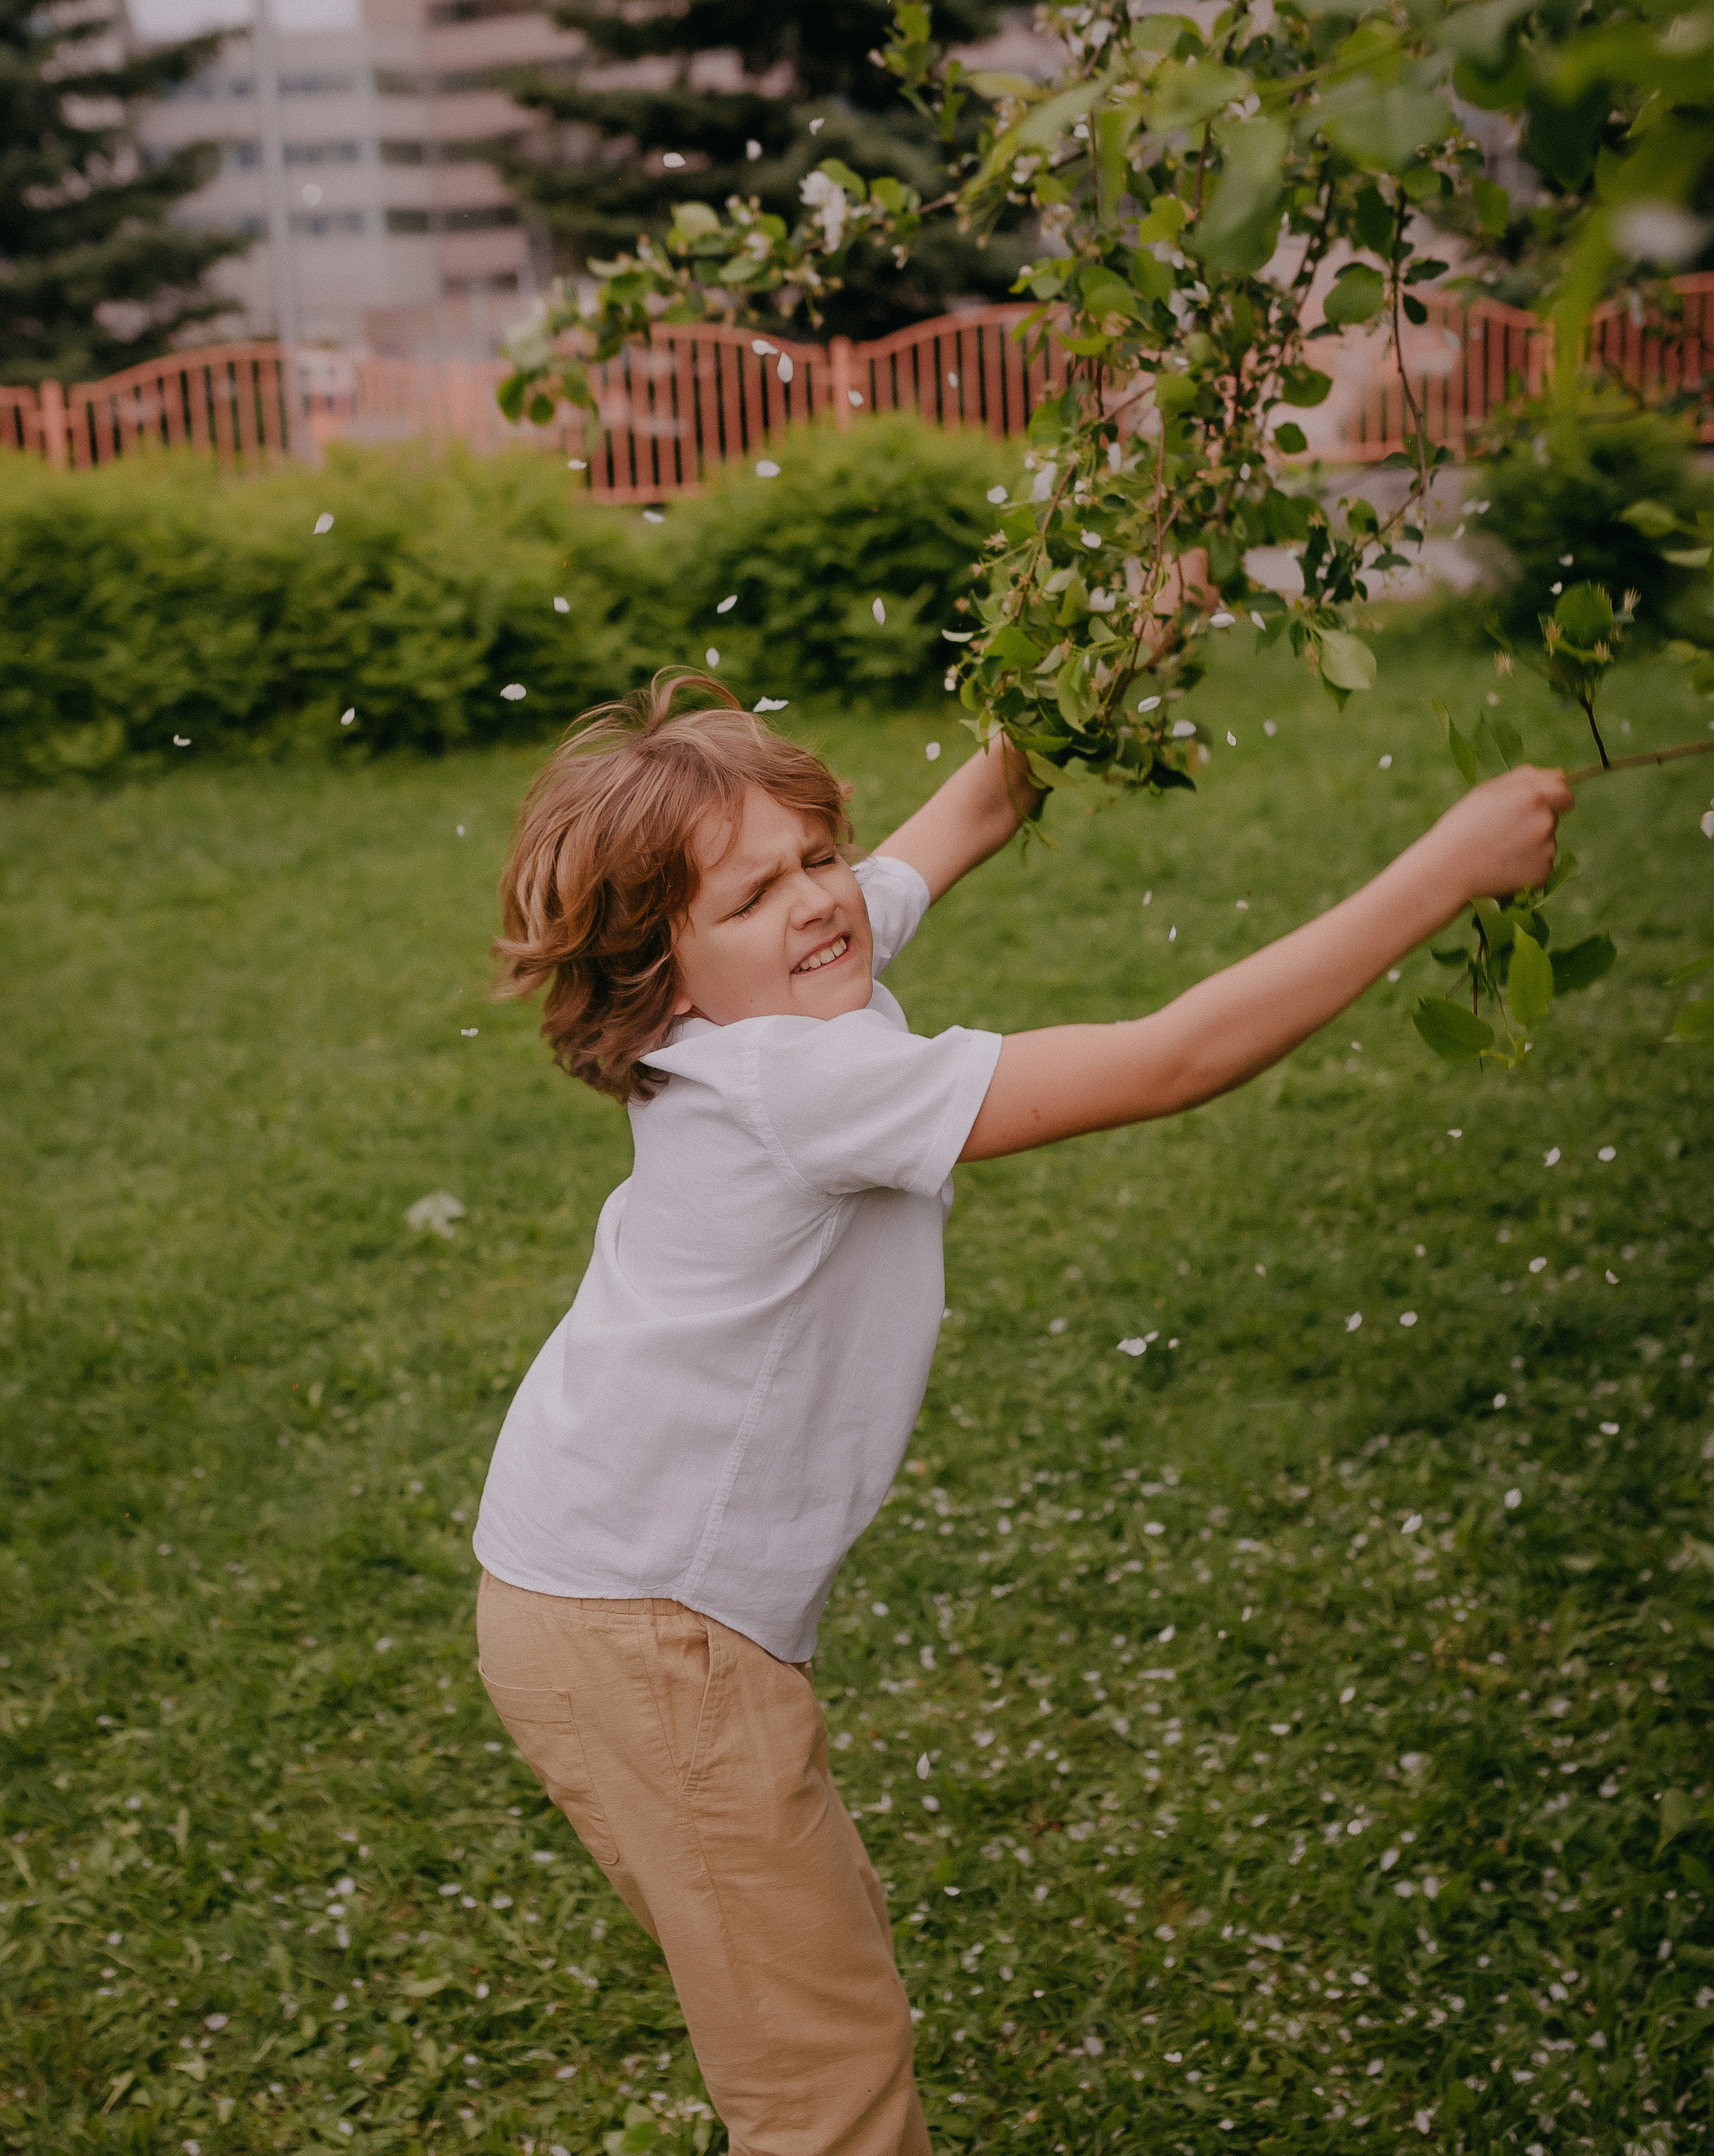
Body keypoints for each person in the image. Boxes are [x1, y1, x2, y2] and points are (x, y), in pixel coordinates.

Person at [472, 671, 1571, 2156]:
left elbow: (980, 802)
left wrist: (1131, 624)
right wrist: (1442, 872)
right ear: (656, 974)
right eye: (755, 895)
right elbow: (1170, 1060)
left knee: (806, 1971)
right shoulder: (795, 1077)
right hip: (645, 1625)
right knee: (824, 2092)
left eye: (817, 856)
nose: (818, 902)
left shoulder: (779, 975)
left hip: (607, 1589)